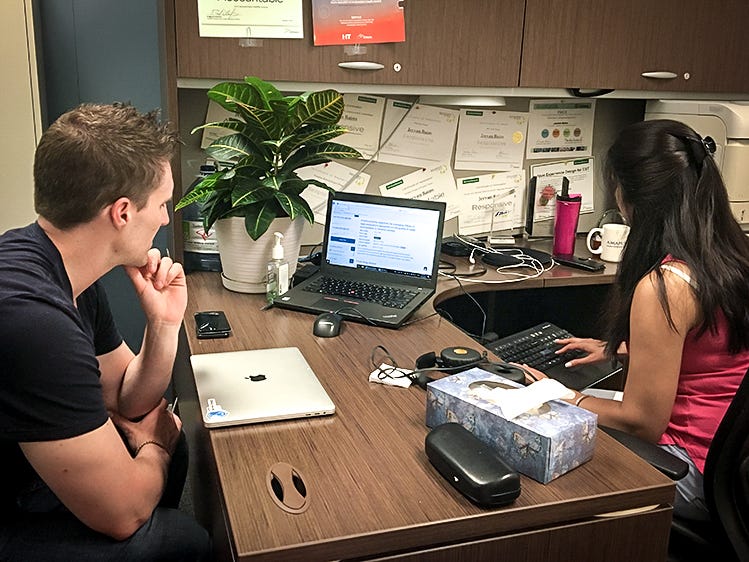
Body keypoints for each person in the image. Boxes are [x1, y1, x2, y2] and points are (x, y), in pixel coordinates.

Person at [0, 103, 211, 561]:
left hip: (32, 466)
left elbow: (126, 399)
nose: (163, 218)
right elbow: (123, 514)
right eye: (161, 204)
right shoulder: (34, 321)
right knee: (182, 541)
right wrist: (158, 443)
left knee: (159, 469)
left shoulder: (64, 269)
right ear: (121, 212)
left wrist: (163, 324)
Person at [532, 118, 749, 522]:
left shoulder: (667, 285)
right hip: (733, 465)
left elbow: (641, 423)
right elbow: (714, 352)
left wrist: (565, 397)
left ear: (632, 197)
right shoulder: (730, 252)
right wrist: (622, 349)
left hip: (690, 469)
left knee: (540, 467)